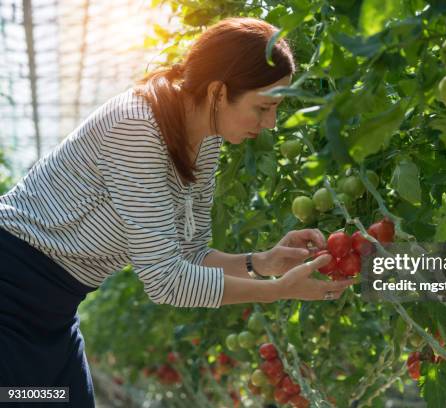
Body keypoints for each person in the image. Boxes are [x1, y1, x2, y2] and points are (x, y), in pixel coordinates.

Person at [0, 17, 354, 407]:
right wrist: (274, 292)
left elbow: (190, 253)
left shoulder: (204, 143)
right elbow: (165, 281)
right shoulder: (136, 125)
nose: (269, 123)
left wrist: (263, 263)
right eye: (263, 107)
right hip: (11, 294)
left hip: (55, 309)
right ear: (219, 91)